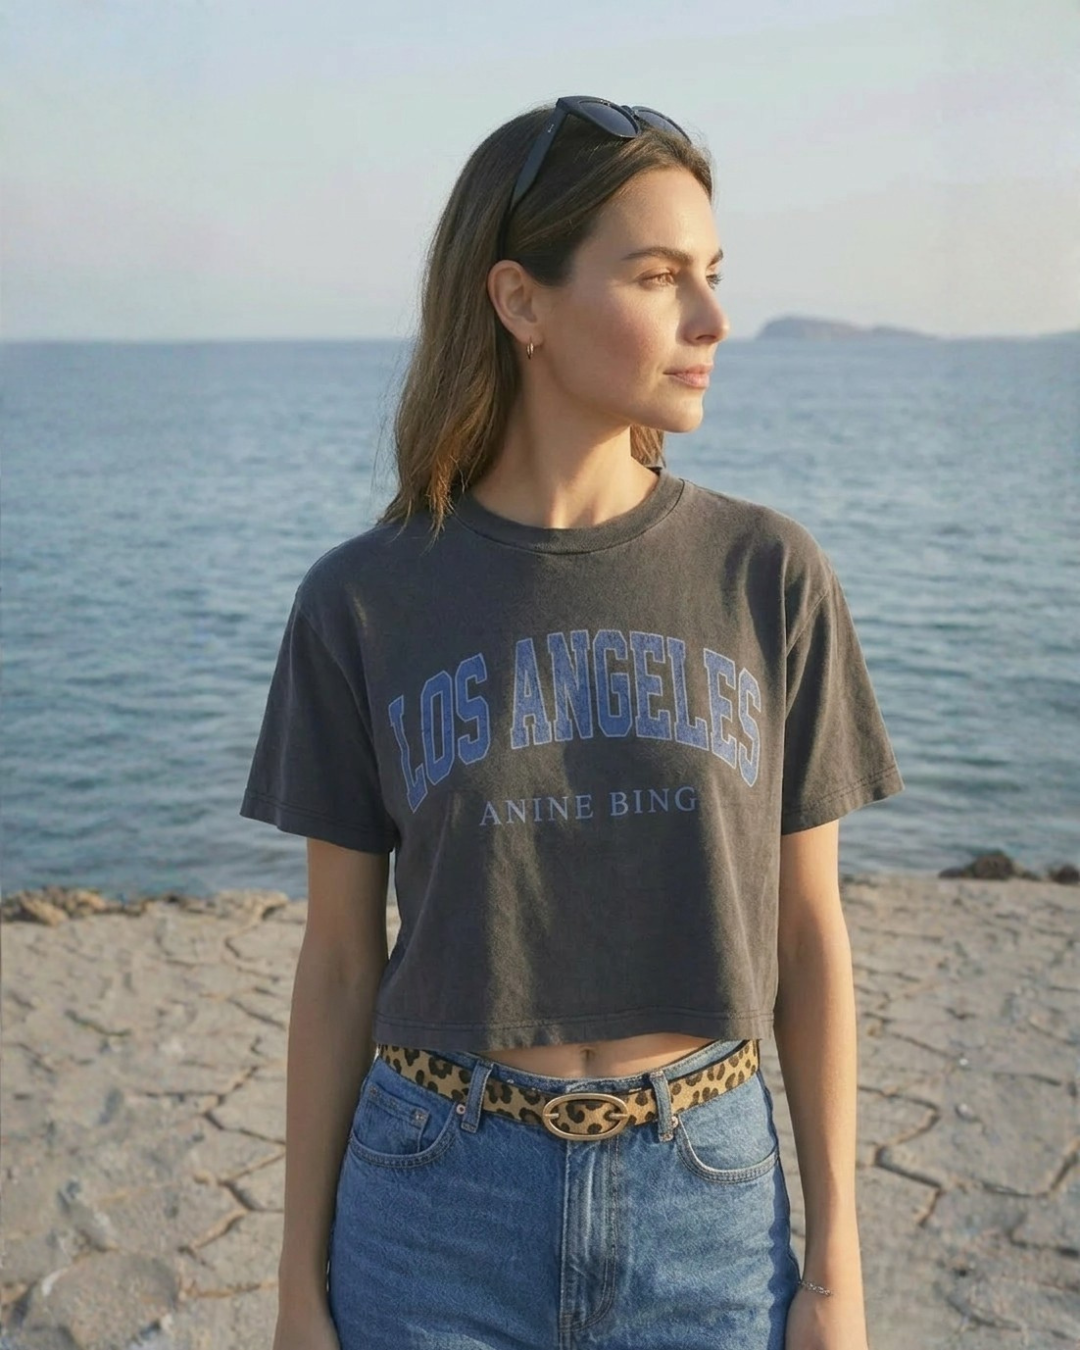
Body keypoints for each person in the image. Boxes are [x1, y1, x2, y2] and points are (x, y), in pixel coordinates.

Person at [240, 95, 904, 1350]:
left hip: (706, 1199)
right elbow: (336, 964)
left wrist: (838, 1271)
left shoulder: (768, 575)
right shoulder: (362, 601)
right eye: (657, 277)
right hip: (432, 1204)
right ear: (520, 302)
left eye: (712, 275)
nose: (711, 319)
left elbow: (810, 935)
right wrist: (295, 1286)